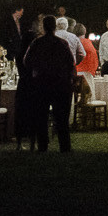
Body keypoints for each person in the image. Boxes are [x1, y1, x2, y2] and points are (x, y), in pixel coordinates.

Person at [18, 15, 71, 153]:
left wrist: (35, 70)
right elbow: (71, 62)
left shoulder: (37, 43)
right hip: (60, 83)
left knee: (41, 116)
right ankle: (64, 146)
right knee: (61, 117)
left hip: (41, 83)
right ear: (54, 27)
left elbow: (26, 61)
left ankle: (43, 145)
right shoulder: (62, 43)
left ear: (43, 26)